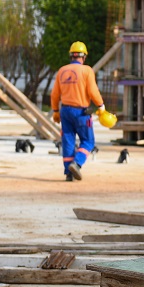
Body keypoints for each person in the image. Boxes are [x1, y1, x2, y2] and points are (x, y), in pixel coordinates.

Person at [50, 41, 105, 182]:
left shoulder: (62, 71)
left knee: (68, 140)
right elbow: (93, 91)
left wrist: (55, 110)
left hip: (65, 111)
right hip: (81, 112)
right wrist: (101, 105)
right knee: (88, 141)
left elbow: (55, 94)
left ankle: (69, 172)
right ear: (84, 57)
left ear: (71, 56)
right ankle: (77, 163)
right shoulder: (87, 71)